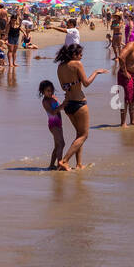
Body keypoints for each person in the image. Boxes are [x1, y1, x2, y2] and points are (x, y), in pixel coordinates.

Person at [54, 43, 107, 171]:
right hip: (79, 103)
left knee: (79, 135)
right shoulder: (77, 64)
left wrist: (73, 82)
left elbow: (63, 87)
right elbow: (87, 83)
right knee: (84, 135)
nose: (82, 56)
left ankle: (79, 164)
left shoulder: (60, 67)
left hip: (68, 105)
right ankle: (64, 161)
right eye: (80, 54)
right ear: (74, 54)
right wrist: (96, 72)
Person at [39, 80, 65, 170]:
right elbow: (53, 112)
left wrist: (65, 104)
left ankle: (51, 165)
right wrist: (62, 106)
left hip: (59, 123)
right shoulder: (45, 101)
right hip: (53, 124)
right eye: (48, 91)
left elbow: (61, 107)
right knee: (61, 143)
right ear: (43, 92)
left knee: (58, 145)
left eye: (51, 90)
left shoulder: (54, 98)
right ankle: (59, 165)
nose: (50, 92)